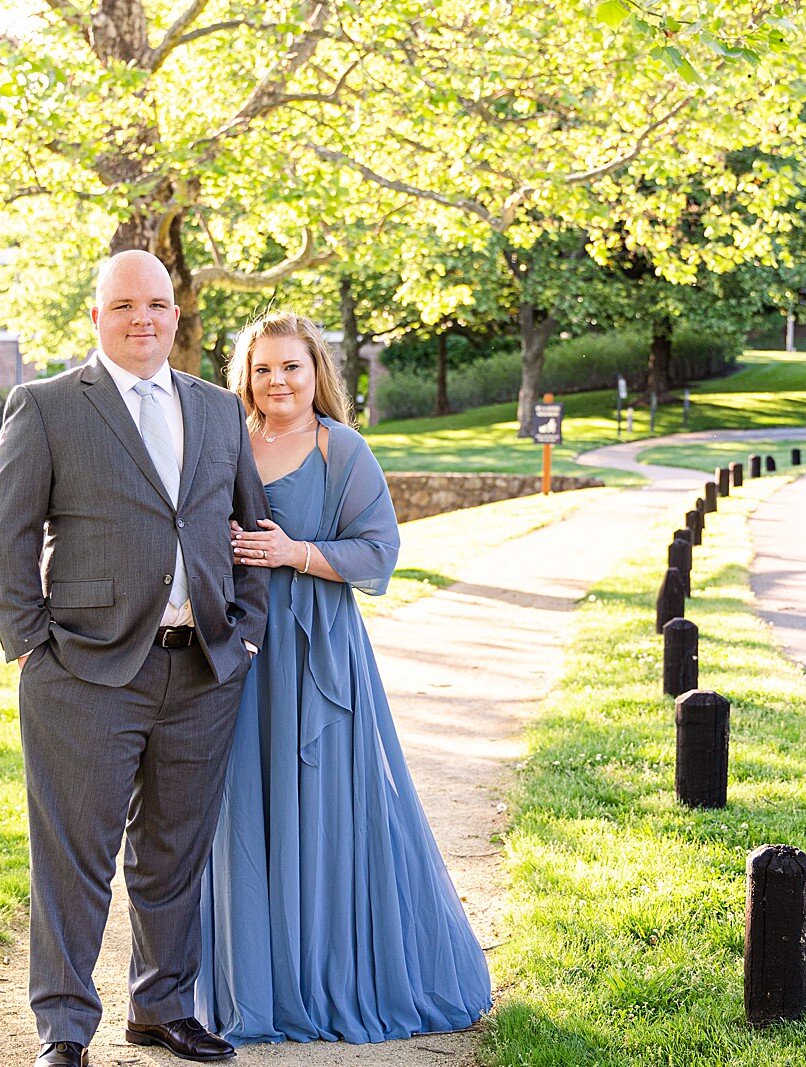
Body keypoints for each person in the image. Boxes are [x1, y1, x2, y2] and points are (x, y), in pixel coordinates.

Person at [0, 250, 269, 1067]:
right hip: (84, 674)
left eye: (158, 304)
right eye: (125, 305)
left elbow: (248, 527)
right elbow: (4, 533)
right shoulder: (45, 407)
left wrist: (243, 633)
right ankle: (65, 1028)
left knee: (174, 851)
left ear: (177, 314)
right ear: (97, 317)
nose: (144, 318)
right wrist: (32, 644)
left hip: (204, 669)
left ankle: (162, 1006)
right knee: (75, 857)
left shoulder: (217, 411)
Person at [196, 311, 492, 1045]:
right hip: (239, 653)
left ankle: (328, 980)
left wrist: (294, 551)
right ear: (247, 374)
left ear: (315, 370)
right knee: (242, 810)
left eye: (291, 366)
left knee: (324, 807)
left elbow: (379, 553)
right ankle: (253, 989)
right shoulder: (226, 441)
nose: (278, 382)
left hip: (316, 654)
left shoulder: (342, 450)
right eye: (263, 368)